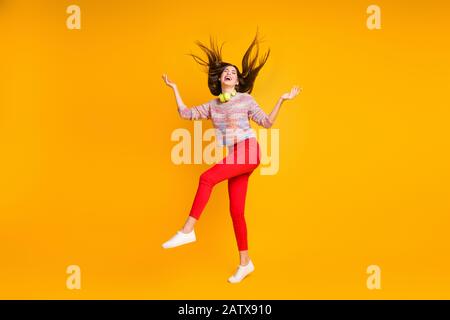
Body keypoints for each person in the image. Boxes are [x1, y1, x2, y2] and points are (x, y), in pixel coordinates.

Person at [161, 30, 302, 283]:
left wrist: (282, 99)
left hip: (249, 150)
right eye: (227, 71)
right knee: (236, 211)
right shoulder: (213, 106)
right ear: (220, 78)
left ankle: (187, 230)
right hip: (236, 155)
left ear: (237, 82)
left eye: (234, 73)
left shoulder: (246, 99)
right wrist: (175, 89)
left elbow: (267, 123)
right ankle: (245, 263)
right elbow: (185, 113)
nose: (230, 73)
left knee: (206, 178)